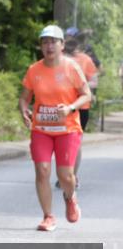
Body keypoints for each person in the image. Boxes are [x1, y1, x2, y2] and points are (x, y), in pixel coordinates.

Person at [18, 25, 91, 232]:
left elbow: (86, 94)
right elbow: (24, 98)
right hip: (41, 129)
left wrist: (70, 108)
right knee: (42, 171)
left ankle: (70, 197)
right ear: (41, 46)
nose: (49, 46)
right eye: (45, 42)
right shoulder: (34, 70)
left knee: (65, 176)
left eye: (53, 42)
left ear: (62, 45)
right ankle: (48, 216)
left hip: (67, 129)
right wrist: (24, 110)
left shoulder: (71, 68)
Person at [61, 37, 99, 189]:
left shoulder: (85, 60)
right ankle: (65, 175)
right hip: (60, 106)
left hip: (80, 108)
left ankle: (72, 176)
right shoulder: (58, 59)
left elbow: (94, 82)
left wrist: (78, 85)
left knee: (74, 142)